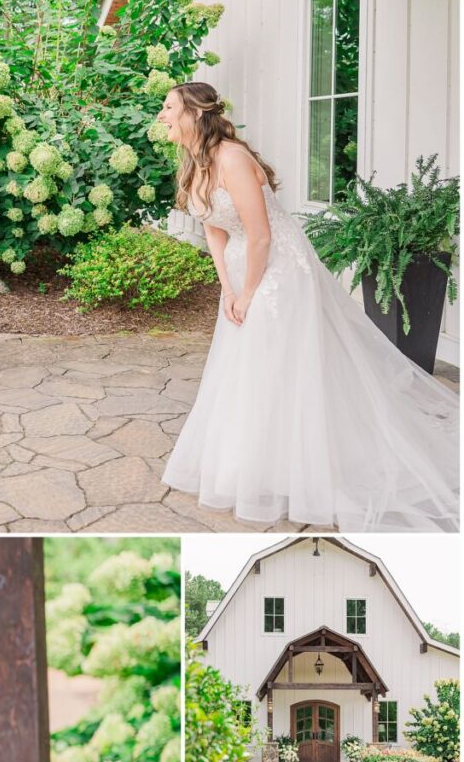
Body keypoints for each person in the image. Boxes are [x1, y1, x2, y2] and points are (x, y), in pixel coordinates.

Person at [158, 82, 459, 532]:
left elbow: (260, 234)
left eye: (168, 108)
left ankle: (308, 467)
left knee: (282, 365)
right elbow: (216, 234)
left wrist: (250, 292)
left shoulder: (233, 159)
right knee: (248, 367)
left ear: (195, 114)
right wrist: (228, 290)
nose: (161, 115)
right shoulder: (193, 165)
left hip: (279, 271)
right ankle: (262, 463)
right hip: (243, 271)